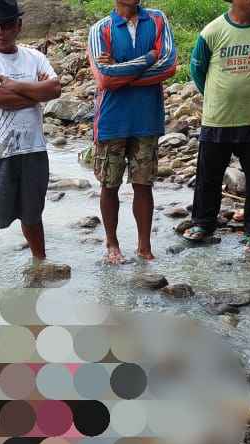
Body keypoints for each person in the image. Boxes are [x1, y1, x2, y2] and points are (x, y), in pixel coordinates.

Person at [183, 0, 250, 254]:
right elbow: (197, 69)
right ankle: (203, 223)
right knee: (209, 175)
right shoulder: (212, 31)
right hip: (218, 117)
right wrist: (216, 95)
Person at [0, 0, 63, 273]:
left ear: (18, 26)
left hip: (33, 150)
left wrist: (15, 86)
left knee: (33, 215)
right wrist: (35, 93)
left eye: (6, 26)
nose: (0, 32)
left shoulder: (34, 57)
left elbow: (55, 89)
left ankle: (40, 263)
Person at [87, 0, 177, 263]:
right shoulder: (100, 29)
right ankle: (112, 243)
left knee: (143, 184)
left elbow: (169, 65)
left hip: (146, 118)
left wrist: (121, 68)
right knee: (109, 184)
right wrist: (149, 57)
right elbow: (104, 77)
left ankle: (144, 246)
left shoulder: (158, 20)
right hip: (111, 120)